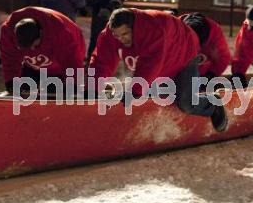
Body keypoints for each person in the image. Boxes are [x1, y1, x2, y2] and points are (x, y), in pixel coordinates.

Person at [89, 8, 227, 131]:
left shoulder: (153, 30)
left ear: (134, 28)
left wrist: (135, 91)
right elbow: (101, 59)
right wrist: (96, 88)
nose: (121, 39)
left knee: (186, 103)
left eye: (125, 34)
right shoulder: (109, 35)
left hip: (185, 53)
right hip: (165, 59)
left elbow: (151, 64)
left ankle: (212, 104)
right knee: (152, 95)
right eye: (117, 35)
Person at [0, 7, 86, 93]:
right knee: (23, 87)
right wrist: (11, 81)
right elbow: (9, 57)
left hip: (59, 66)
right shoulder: (8, 31)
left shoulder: (59, 32)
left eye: (34, 45)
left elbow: (71, 60)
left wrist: (73, 83)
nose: (32, 49)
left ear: (41, 33)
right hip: (32, 64)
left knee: (53, 93)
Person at [180, 12, 231, 79]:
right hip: (176, 71)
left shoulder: (215, 32)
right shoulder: (174, 30)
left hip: (203, 73)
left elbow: (223, 57)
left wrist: (210, 75)